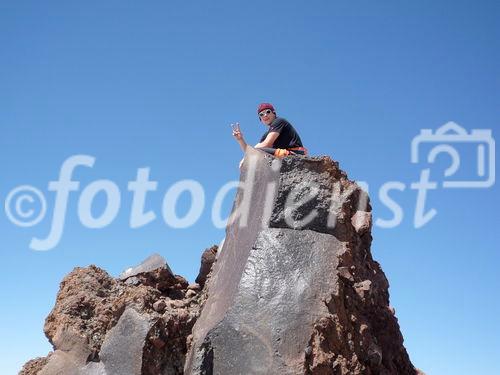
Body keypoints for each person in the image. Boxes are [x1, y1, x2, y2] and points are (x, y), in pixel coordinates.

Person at [231, 103, 307, 161]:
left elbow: (266, 144)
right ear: (260, 119)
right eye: (261, 114)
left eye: (268, 112)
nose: (265, 115)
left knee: (258, 151)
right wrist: (240, 139)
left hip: (295, 154)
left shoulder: (279, 121)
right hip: (284, 154)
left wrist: (252, 152)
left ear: (274, 113)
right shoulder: (267, 135)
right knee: (254, 155)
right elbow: (250, 152)